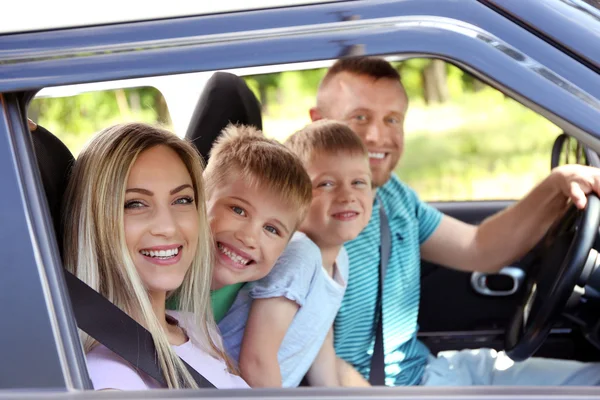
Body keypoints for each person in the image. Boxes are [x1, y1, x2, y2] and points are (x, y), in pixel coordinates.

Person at [310, 57, 600, 386]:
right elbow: (319, 360)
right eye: (359, 117)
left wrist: (556, 184)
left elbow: (480, 248)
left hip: (431, 371)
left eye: (393, 119)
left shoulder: (392, 195)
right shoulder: (308, 220)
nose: (378, 135)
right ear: (318, 123)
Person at [62, 122, 248, 390]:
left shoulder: (194, 327)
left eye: (182, 200)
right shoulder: (112, 376)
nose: (168, 227)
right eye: (135, 204)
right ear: (94, 222)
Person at [218, 120, 373, 387]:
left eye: (358, 182)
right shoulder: (300, 256)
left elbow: (318, 339)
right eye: (325, 184)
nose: (347, 195)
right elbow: (256, 358)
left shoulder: (340, 260)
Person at [201, 123, 313, 323]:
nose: (248, 237)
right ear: (200, 199)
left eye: (271, 229)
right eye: (238, 210)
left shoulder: (256, 301)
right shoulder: (158, 276)